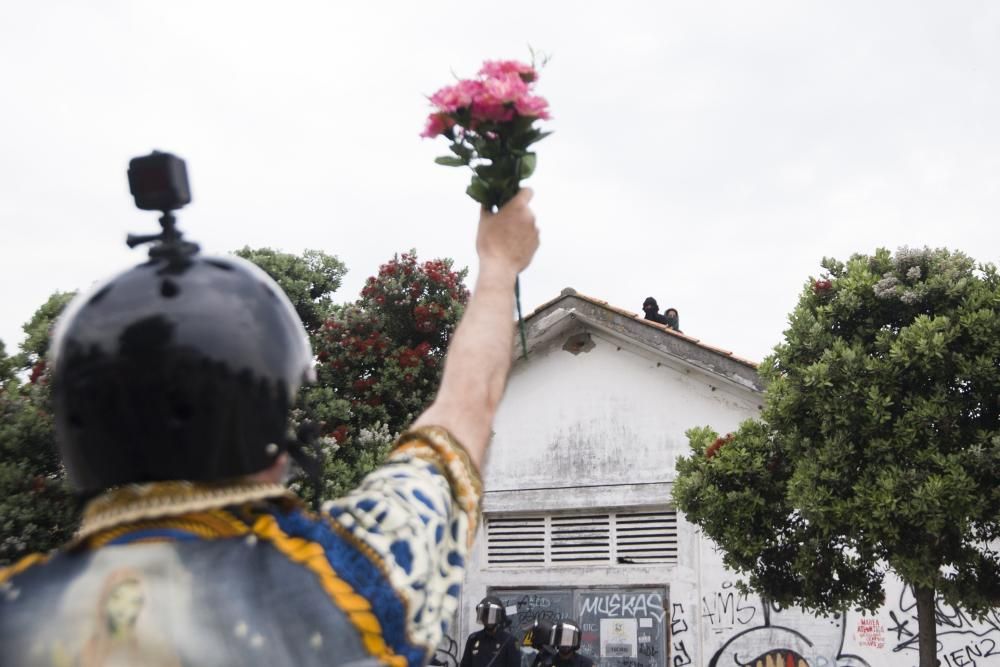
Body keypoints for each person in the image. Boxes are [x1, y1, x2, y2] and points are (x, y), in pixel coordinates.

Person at [0, 162, 539, 667]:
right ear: (259, 431)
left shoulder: (15, 607)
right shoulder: (348, 577)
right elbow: (463, 414)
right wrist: (498, 265)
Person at [459, 596, 520, 667]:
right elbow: (465, 664)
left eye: (491, 615)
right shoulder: (473, 639)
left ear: (499, 616)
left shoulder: (510, 641)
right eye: (484, 614)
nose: (487, 618)